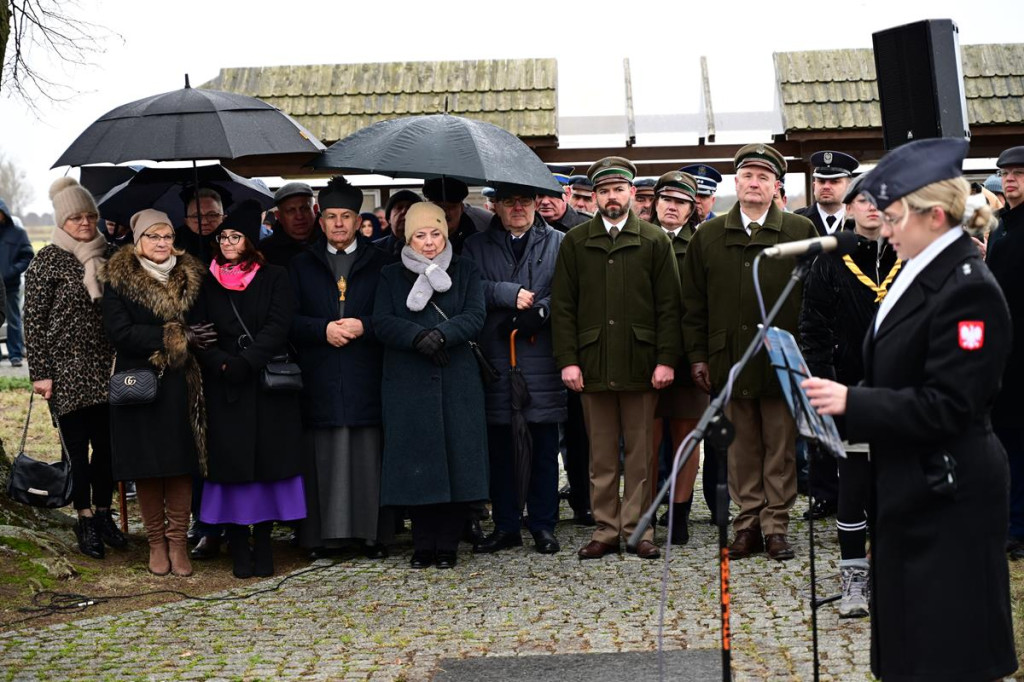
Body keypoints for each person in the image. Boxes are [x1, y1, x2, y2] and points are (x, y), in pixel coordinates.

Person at [803, 137, 1017, 682]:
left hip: (949, 489)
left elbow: (951, 403)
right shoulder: (919, 272)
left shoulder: (968, 289)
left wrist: (854, 401)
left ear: (935, 217)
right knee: (908, 645)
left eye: (895, 216)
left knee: (948, 648)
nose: (885, 228)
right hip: (910, 483)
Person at [682, 143, 817, 561]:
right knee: (739, 449)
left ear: (776, 186)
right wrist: (699, 356)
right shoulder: (708, 234)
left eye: (762, 177)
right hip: (730, 359)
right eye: (746, 176)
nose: (753, 183)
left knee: (780, 447)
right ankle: (748, 526)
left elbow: (816, 301)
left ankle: (776, 527)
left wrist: (808, 359)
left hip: (780, 361)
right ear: (735, 183)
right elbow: (693, 304)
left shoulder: (798, 232)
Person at [551, 156, 682, 561]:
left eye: (618, 190)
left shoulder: (654, 241)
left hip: (642, 364)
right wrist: (568, 360)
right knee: (601, 455)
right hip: (592, 364)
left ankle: (639, 530)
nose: (611, 197)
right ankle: (606, 529)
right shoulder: (576, 241)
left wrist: (666, 360)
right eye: (604, 191)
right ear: (595, 196)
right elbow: (564, 307)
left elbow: (670, 306)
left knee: (641, 455)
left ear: (630, 193)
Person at [799, 176, 901, 617]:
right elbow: (813, 327)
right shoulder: (830, 257)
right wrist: (825, 385)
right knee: (854, 483)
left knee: (898, 484)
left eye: (883, 201)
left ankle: (894, 572)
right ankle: (853, 575)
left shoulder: (909, 253)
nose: (873, 208)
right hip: (847, 391)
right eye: (864, 200)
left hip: (900, 393)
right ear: (851, 206)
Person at [193, 201, 306, 578]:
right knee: (233, 469)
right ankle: (239, 544)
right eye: (222, 236)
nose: (226, 242)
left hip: (265, 385)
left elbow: (279, 325)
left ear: (249, 240)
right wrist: (222, 363)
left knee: (267, 466)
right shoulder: (205, 281)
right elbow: (199, 330)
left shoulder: (274, 276)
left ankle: (265, 543)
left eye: (235, 236)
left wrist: (247, 361)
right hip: (225, 387)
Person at [373, 202, 488, 569]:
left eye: (435, 233)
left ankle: (448, 543)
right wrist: (417, 336)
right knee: (418, 462)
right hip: (409, 380)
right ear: (408, 237)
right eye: (420, 235)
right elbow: (382, 320)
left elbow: (475, 314)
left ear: (446, 233)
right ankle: (423, 543)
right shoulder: (391, 275)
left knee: (455, 459)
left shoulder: (465, 269)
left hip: (456, 378)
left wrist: (442, 334)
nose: (428, 242)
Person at [101, 208, 211, 577]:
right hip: (141, 382)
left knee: (181, 464)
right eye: (153, 236)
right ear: (138, 242)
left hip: (182, 381)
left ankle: (178, 542)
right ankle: (156, 543)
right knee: (147, 467)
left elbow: (206, 320)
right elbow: (120, 332)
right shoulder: (118, 278)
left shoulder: (192, 274)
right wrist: (177, 336)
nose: (162, 243)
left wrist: (194, 334)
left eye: (167, 237)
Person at [289, 177, 393, 559]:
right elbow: (287, 320)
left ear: (357, 220)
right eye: (330, 216)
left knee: (368, 454)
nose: (337, 224)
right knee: (323, 457)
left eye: (345, 216)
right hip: (320, 371)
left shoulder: (382, 262)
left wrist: (365, 324)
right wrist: (322, 329)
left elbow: (392, 315)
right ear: (320, 221)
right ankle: (322, 538)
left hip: (367, 370)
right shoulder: (301, 265)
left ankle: (372, 537)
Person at [23, 178, 125, 559]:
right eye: (76, 217)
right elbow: (33, 320)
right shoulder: (47, 259)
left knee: (109, 450)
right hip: (65, 372)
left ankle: (103, 513)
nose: (85, 223)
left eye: (90, 215)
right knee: (76, 452)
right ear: (62, 220)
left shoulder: (112, 254)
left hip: (108, 368)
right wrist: (40, 373)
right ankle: (83, 517)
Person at [463, 187, 567, 555]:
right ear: (495, 206)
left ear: (537, 202)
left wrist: (543, 311)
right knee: (502, 451)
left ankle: (543, 524)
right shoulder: (476, 246)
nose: (518, 208)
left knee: (542, 448)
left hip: (542, 360)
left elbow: (569, 291)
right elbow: (467, 287)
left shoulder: (559, 243)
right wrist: (506, 293)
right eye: (509, 201)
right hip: (495, 359)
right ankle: (506, 525)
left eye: (525, 200)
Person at [646, 171, 709, 545]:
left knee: (686, 442)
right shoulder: (642, 239)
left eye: (681, 201)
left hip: (688, 358)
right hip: (647, 356)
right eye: (666, 199)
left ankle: (680, 515)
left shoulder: (701, 244)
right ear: (655, 203)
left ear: (692, 209)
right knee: (647, 443)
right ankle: (649, 511)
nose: (672, 207)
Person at [987, 145, 1024, 561]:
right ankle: (1012, 525)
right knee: (1008, 441)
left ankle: (1018, 526)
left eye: (1017, 173)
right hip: (1004, 353)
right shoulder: (999, 226)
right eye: (1005, 173)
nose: (1010, 179)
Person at [0, 196, 33, 367]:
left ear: (4, 213)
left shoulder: (18, 233)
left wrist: (12, 271)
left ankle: (15, 354)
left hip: (9, 286)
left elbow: (28, 256)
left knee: (13, 319)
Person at [795, 150, 858, 237]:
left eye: (834, 181)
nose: (826, 187)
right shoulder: (797, 220)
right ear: (814, 186)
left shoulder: (859, 219)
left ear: (849, 187)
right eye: (821, 181)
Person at [422, 177, 489, 253]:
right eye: (438, 207)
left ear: (462, 208)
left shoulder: (479, 245)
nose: (445, 213)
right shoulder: (413, 241)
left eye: (451, 207)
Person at [260, 182, 319, 267]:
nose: (299, 216)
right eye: (291, 211)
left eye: (304, 209)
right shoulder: (266, 251)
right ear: (278, 216)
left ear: (315, 210)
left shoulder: (332, 243)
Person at [174, 187, 225, 261]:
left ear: (223, 219)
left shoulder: (236, 246)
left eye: (212, 215)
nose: (204, 222)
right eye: (196, 216)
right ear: (186, 221)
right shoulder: (172, 247)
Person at [537, 166, 589, 233]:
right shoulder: (523, 224)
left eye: (553, 194)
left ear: (567, 194)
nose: (545, 202)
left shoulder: (589, 226)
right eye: (540, 195)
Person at [374, 189, 421, 261]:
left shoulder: (430, 248)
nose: (404, 211)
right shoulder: (374, 250)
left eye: (410, 208)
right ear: (389, 218)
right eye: (399, 208)